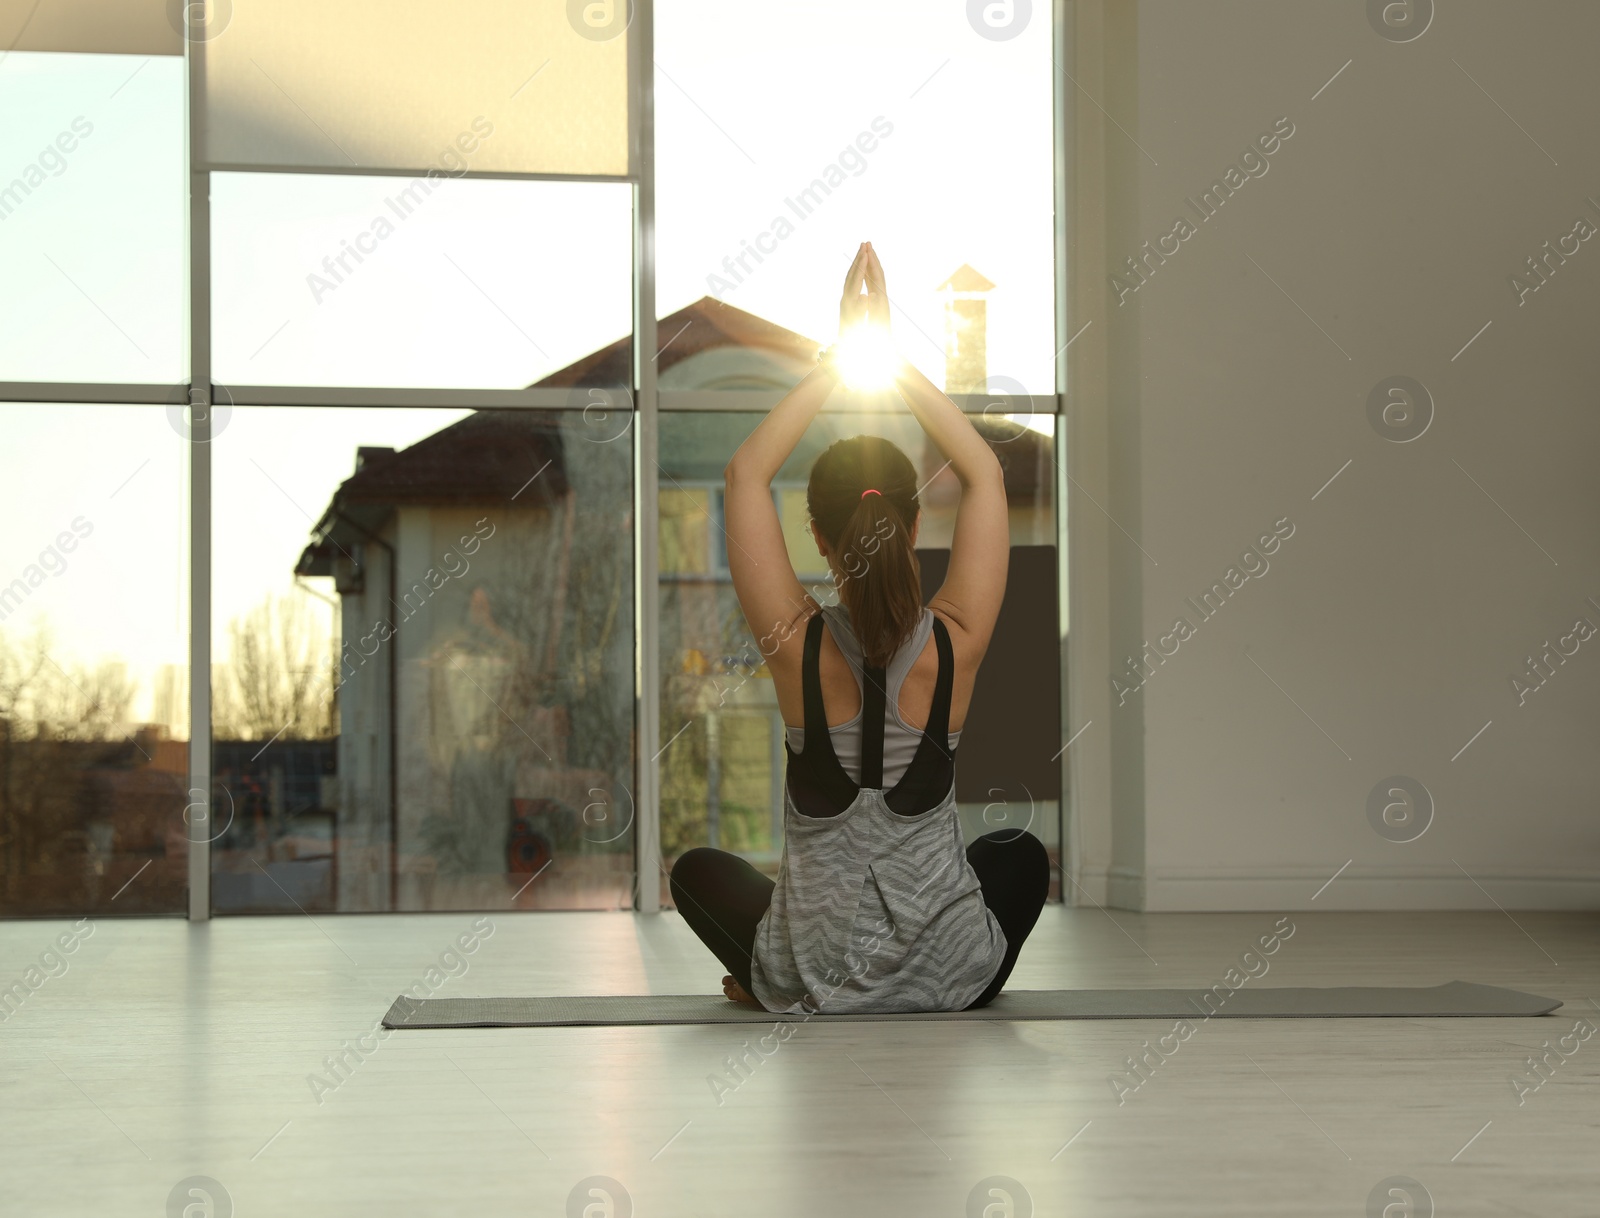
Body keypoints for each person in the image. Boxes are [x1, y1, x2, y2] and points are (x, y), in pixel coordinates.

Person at [669, 242, 1049, 1013]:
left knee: (696, 873)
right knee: (1016, 856)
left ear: (816, 535)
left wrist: (836, 359)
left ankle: (772, 981)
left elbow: (747, 473)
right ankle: (949, 978)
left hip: (814, 969)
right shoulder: (957, 640)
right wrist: (893, 360)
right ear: (913, 531)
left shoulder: (795, 646)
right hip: (945, 972)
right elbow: (983, 471)